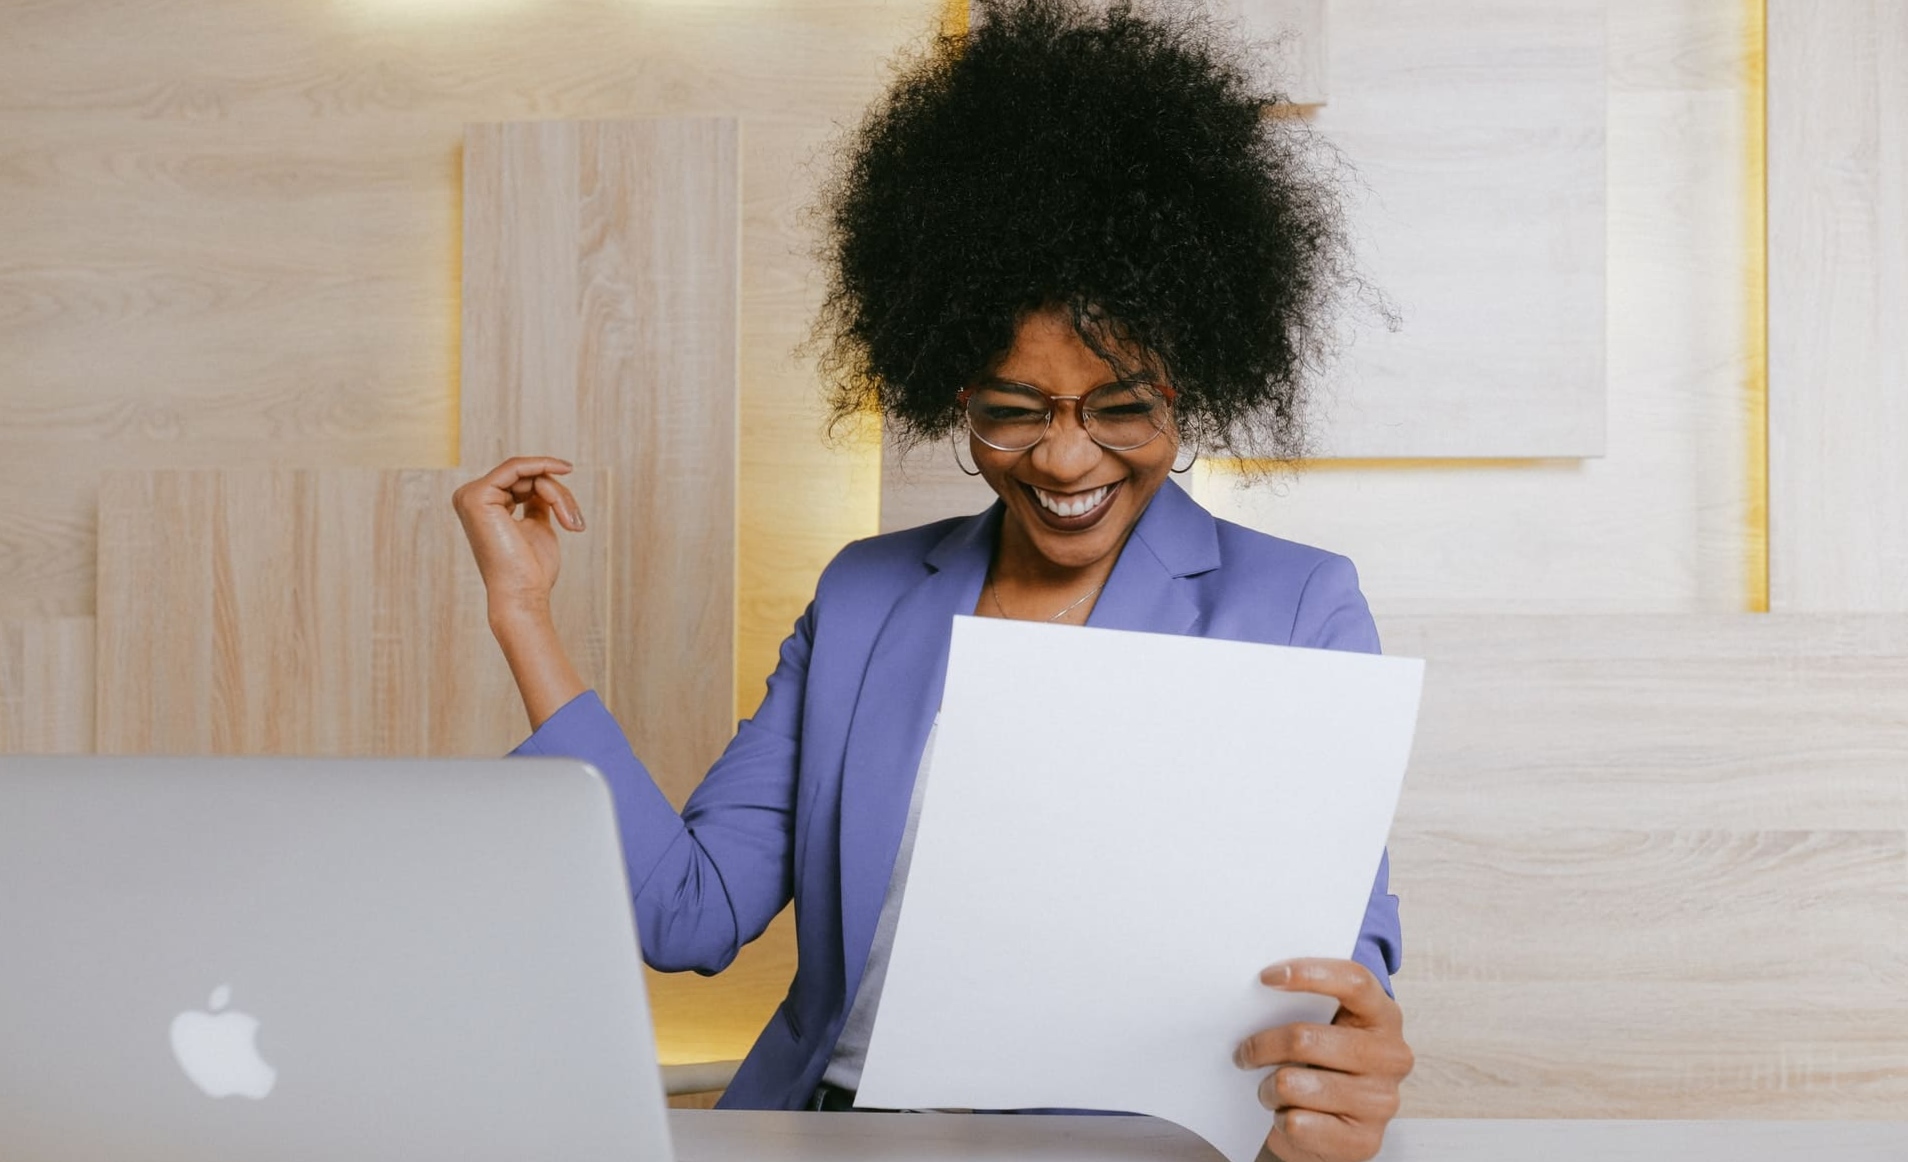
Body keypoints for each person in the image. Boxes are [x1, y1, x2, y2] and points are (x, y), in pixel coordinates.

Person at [452, 2, 1413, 1159]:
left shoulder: (1295, 609)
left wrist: (1344, 1062)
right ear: (948, 391)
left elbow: (1343, 954)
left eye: (1121, 407)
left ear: (1190, 387)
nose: (1064, 458)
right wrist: (524, 615)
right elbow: (688, 913)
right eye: (1014, 411)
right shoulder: (866, 596)